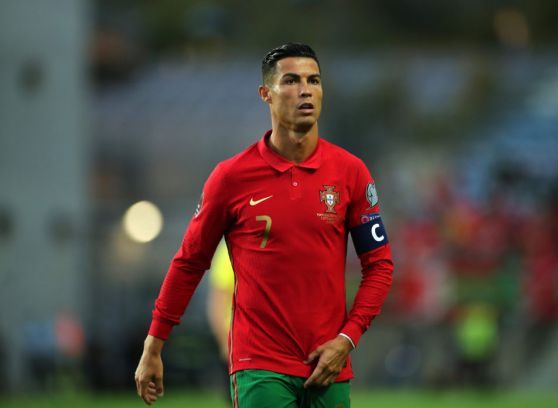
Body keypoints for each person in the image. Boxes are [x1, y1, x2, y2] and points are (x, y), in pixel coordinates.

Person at [134, 42, 394, 407]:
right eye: (291, 80)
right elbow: (189, 263)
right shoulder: (231, 178)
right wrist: (154, 345)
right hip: (260, 366)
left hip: (330, 365)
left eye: (314, 80)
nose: (306, 90)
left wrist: (347, 339)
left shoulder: (350, 173)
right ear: (265, 94)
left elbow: (380, 266)